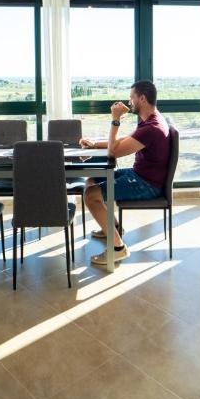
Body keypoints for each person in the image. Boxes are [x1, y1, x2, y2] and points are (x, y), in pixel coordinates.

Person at [79, 80, 170, 265]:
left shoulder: (151, 128)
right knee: (92, 180)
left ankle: (118, 248)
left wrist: (116, 119)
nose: (129, 102)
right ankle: (114, 228)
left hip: (146, 184)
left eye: (132, 98)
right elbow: (122, 142)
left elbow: (114, 151)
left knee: (90, 195)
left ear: (142, 98)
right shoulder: (152, 120)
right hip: (140, 176)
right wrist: (94, 144)